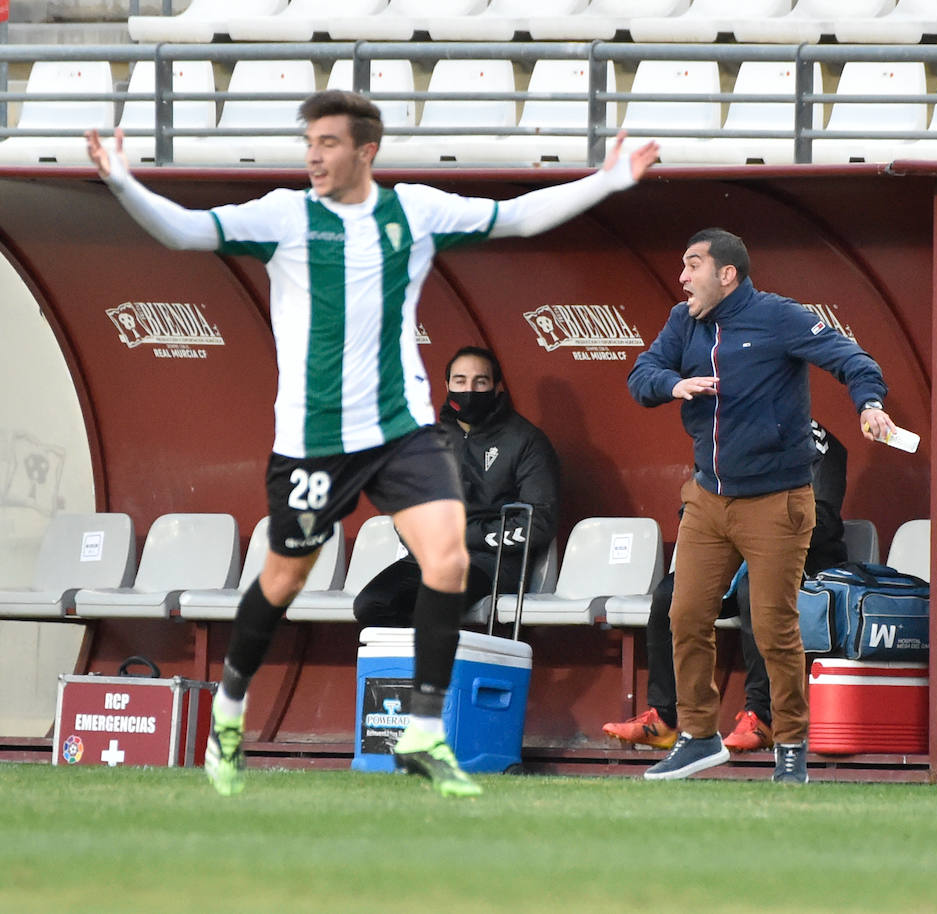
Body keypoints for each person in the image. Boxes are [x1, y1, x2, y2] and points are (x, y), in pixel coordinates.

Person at [85, 91, 657, 798]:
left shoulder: (412, 210)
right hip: (314, 440)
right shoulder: (285, 215)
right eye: (310, 143)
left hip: (402, 431)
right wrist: (122, 180)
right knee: (284, 578)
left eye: (327, 142)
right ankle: (229, 709)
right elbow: (184, 231)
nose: (314, 155)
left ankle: (422, 730)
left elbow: (516, 219)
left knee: (447, 561)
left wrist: (608, 180)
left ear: (366, 151)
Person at [627, 228, 894, 784]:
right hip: (707, 497)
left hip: (777, 501)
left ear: (728, 274)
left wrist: (869, 405)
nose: (682, 277)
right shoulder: (684, 321)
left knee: (773, 627)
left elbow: (853, 359)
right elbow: (640, 376)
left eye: (692, 265)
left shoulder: (780, 316)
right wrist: (674, 385)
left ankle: (791, 744)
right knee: (684, 613)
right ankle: (699, 737)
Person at [602, 419, 848, 754]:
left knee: (754, 593)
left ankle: (762, 717)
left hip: (801, 559)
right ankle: (665, 717)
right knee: (670, 595)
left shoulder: (816, 441)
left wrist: (760, 525)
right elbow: (696, 503)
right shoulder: (726, 435)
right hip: (732, 557)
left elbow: (825, 518)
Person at [353, 345, 558, 627]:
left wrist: (467, 535)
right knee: (371, 604)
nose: (469, 389)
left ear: (497, 387)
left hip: (489, 563)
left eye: (480, 382)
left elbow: (539, 523)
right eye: (460, 381)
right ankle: (413, 670)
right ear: (447, 384)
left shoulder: (525, 440)